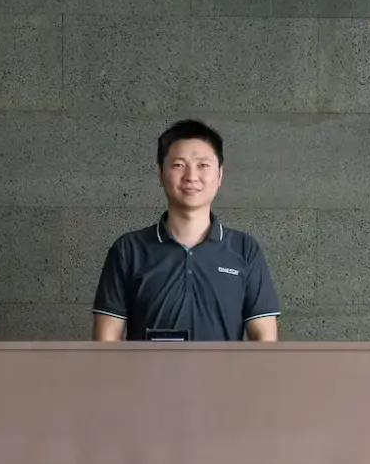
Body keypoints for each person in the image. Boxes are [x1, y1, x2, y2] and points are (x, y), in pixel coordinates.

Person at [91, 119, 280, 342]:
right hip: (147, 377)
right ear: (160, 173)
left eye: (203, 165)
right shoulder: (128, 249)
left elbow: (264, 337)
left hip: (223, 377)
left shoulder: (244, 249)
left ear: (220, 174)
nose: (191, 176)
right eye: (179, 165)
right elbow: (106, 339)